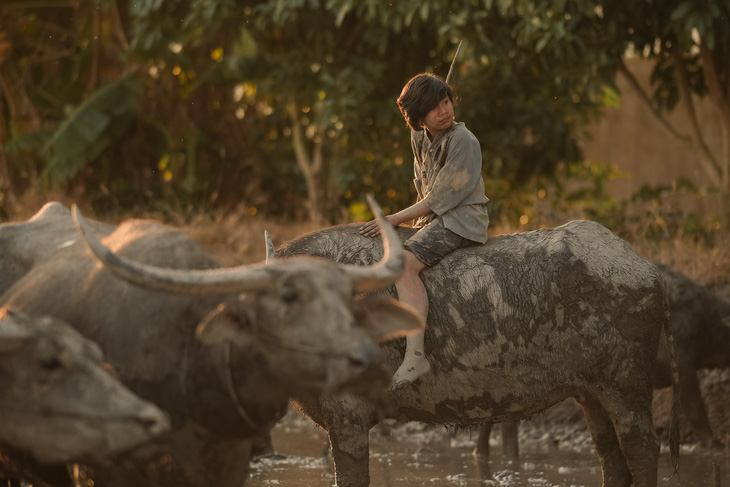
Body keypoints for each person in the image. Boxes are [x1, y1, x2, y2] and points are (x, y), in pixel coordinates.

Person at [360, 72, 490, 390]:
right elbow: (423, 186)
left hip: (460, 221)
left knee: (403, 263)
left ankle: (416, 355)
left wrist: (392, 219)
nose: (444, 111)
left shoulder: (464, 141)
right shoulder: (419, 137)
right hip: (432, 221)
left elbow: (438, 199)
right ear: (419, 119)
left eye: (446, 102)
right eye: (434, 108)